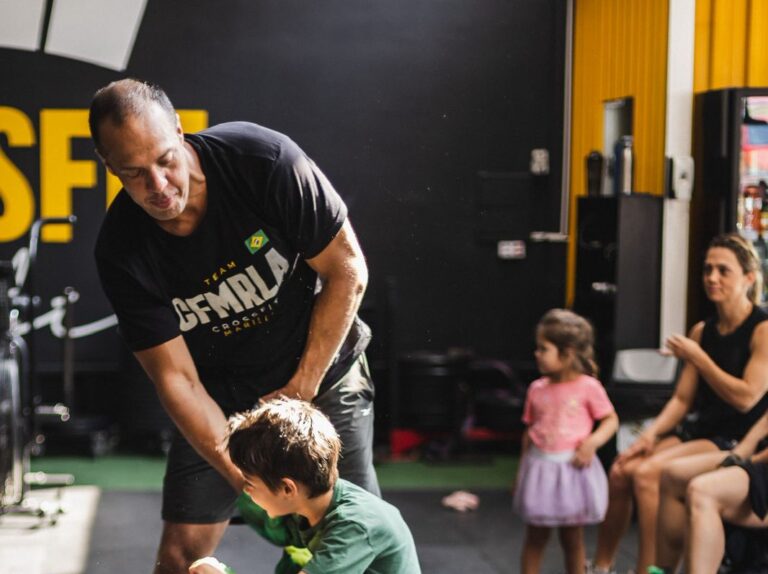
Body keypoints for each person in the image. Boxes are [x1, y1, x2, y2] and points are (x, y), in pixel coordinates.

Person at [90, 78, 380, 574]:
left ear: (181, 131)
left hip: (322, 368)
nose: (158, 187)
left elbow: (347, 271)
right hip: (219, 398)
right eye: (134, 174)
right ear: (110, 166)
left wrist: (300, 392)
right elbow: (176, 379)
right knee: (182, 557)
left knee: (359, 537)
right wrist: (242, 475)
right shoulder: (122, 251)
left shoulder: (260, 161)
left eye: (164, 160)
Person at [588, 233, 768, 574]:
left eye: (723, 271)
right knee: (623, 469)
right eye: (707, 269)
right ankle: (601, 565)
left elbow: (746, 399)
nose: (712, 278)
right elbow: (682, 398)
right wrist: (648, 436)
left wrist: (699, 359)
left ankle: (649, 569)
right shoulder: (704, 330)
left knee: (647, 475)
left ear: (748, 277)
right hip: (702, 428)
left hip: (736, 435)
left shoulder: (762, 330)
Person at [188, 398, 421, 574]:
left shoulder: (354, 526)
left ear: (288, 489)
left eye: (249, 483)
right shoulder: (307, 509)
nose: (246, 491)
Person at [514, 309, 619, 574]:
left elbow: (610, 420)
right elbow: (530, 431)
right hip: (541, 471)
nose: (537, 354)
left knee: (572, 539)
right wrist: (520, 473)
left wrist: (593, 442)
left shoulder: (588, 387)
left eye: (543, 349)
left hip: (572, 472)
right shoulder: (537, 389)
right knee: (535, 537)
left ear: (568, 352)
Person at [652, 412, 768, 573]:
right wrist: (737, 456)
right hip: (758, 458)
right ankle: (663, 571)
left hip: (762, 465)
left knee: (702, 491)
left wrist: (748, 463)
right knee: (672, 475)